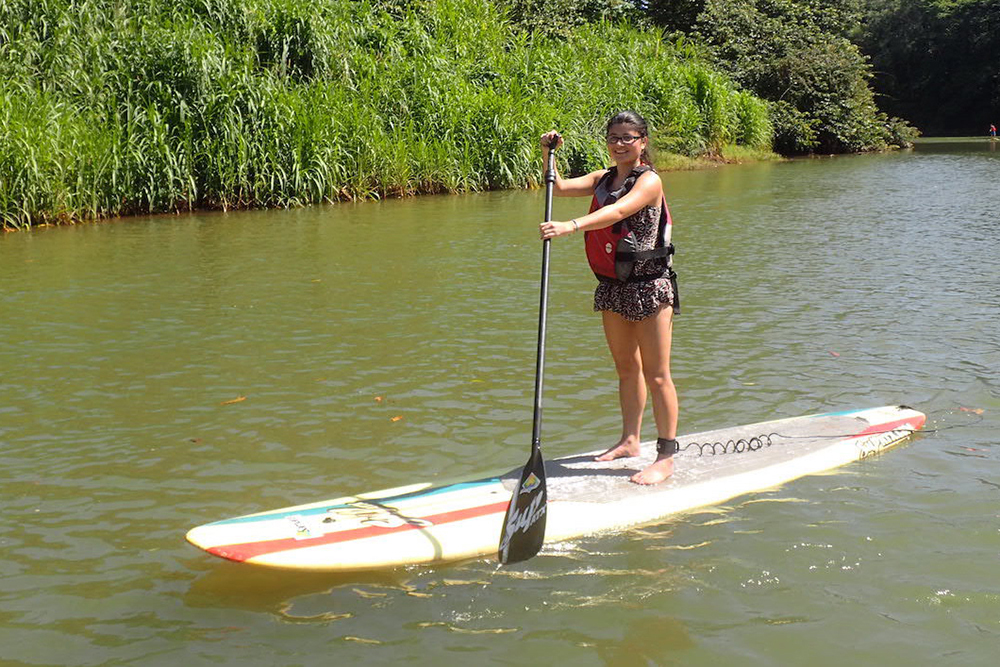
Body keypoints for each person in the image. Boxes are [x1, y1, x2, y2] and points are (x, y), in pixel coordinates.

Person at [538, 111, 680, 485]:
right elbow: (558, 188)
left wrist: (571, 226)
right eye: (614, 137)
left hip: (650, 287)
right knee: (626, 369)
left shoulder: (650, 181)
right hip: (614, 286)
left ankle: (665, 456)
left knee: (657, 375)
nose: (619, 144)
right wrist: (547, 154)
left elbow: (619, 210)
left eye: (628, 138)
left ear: (642, 142)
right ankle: (630, 440)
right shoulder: (602, 178)